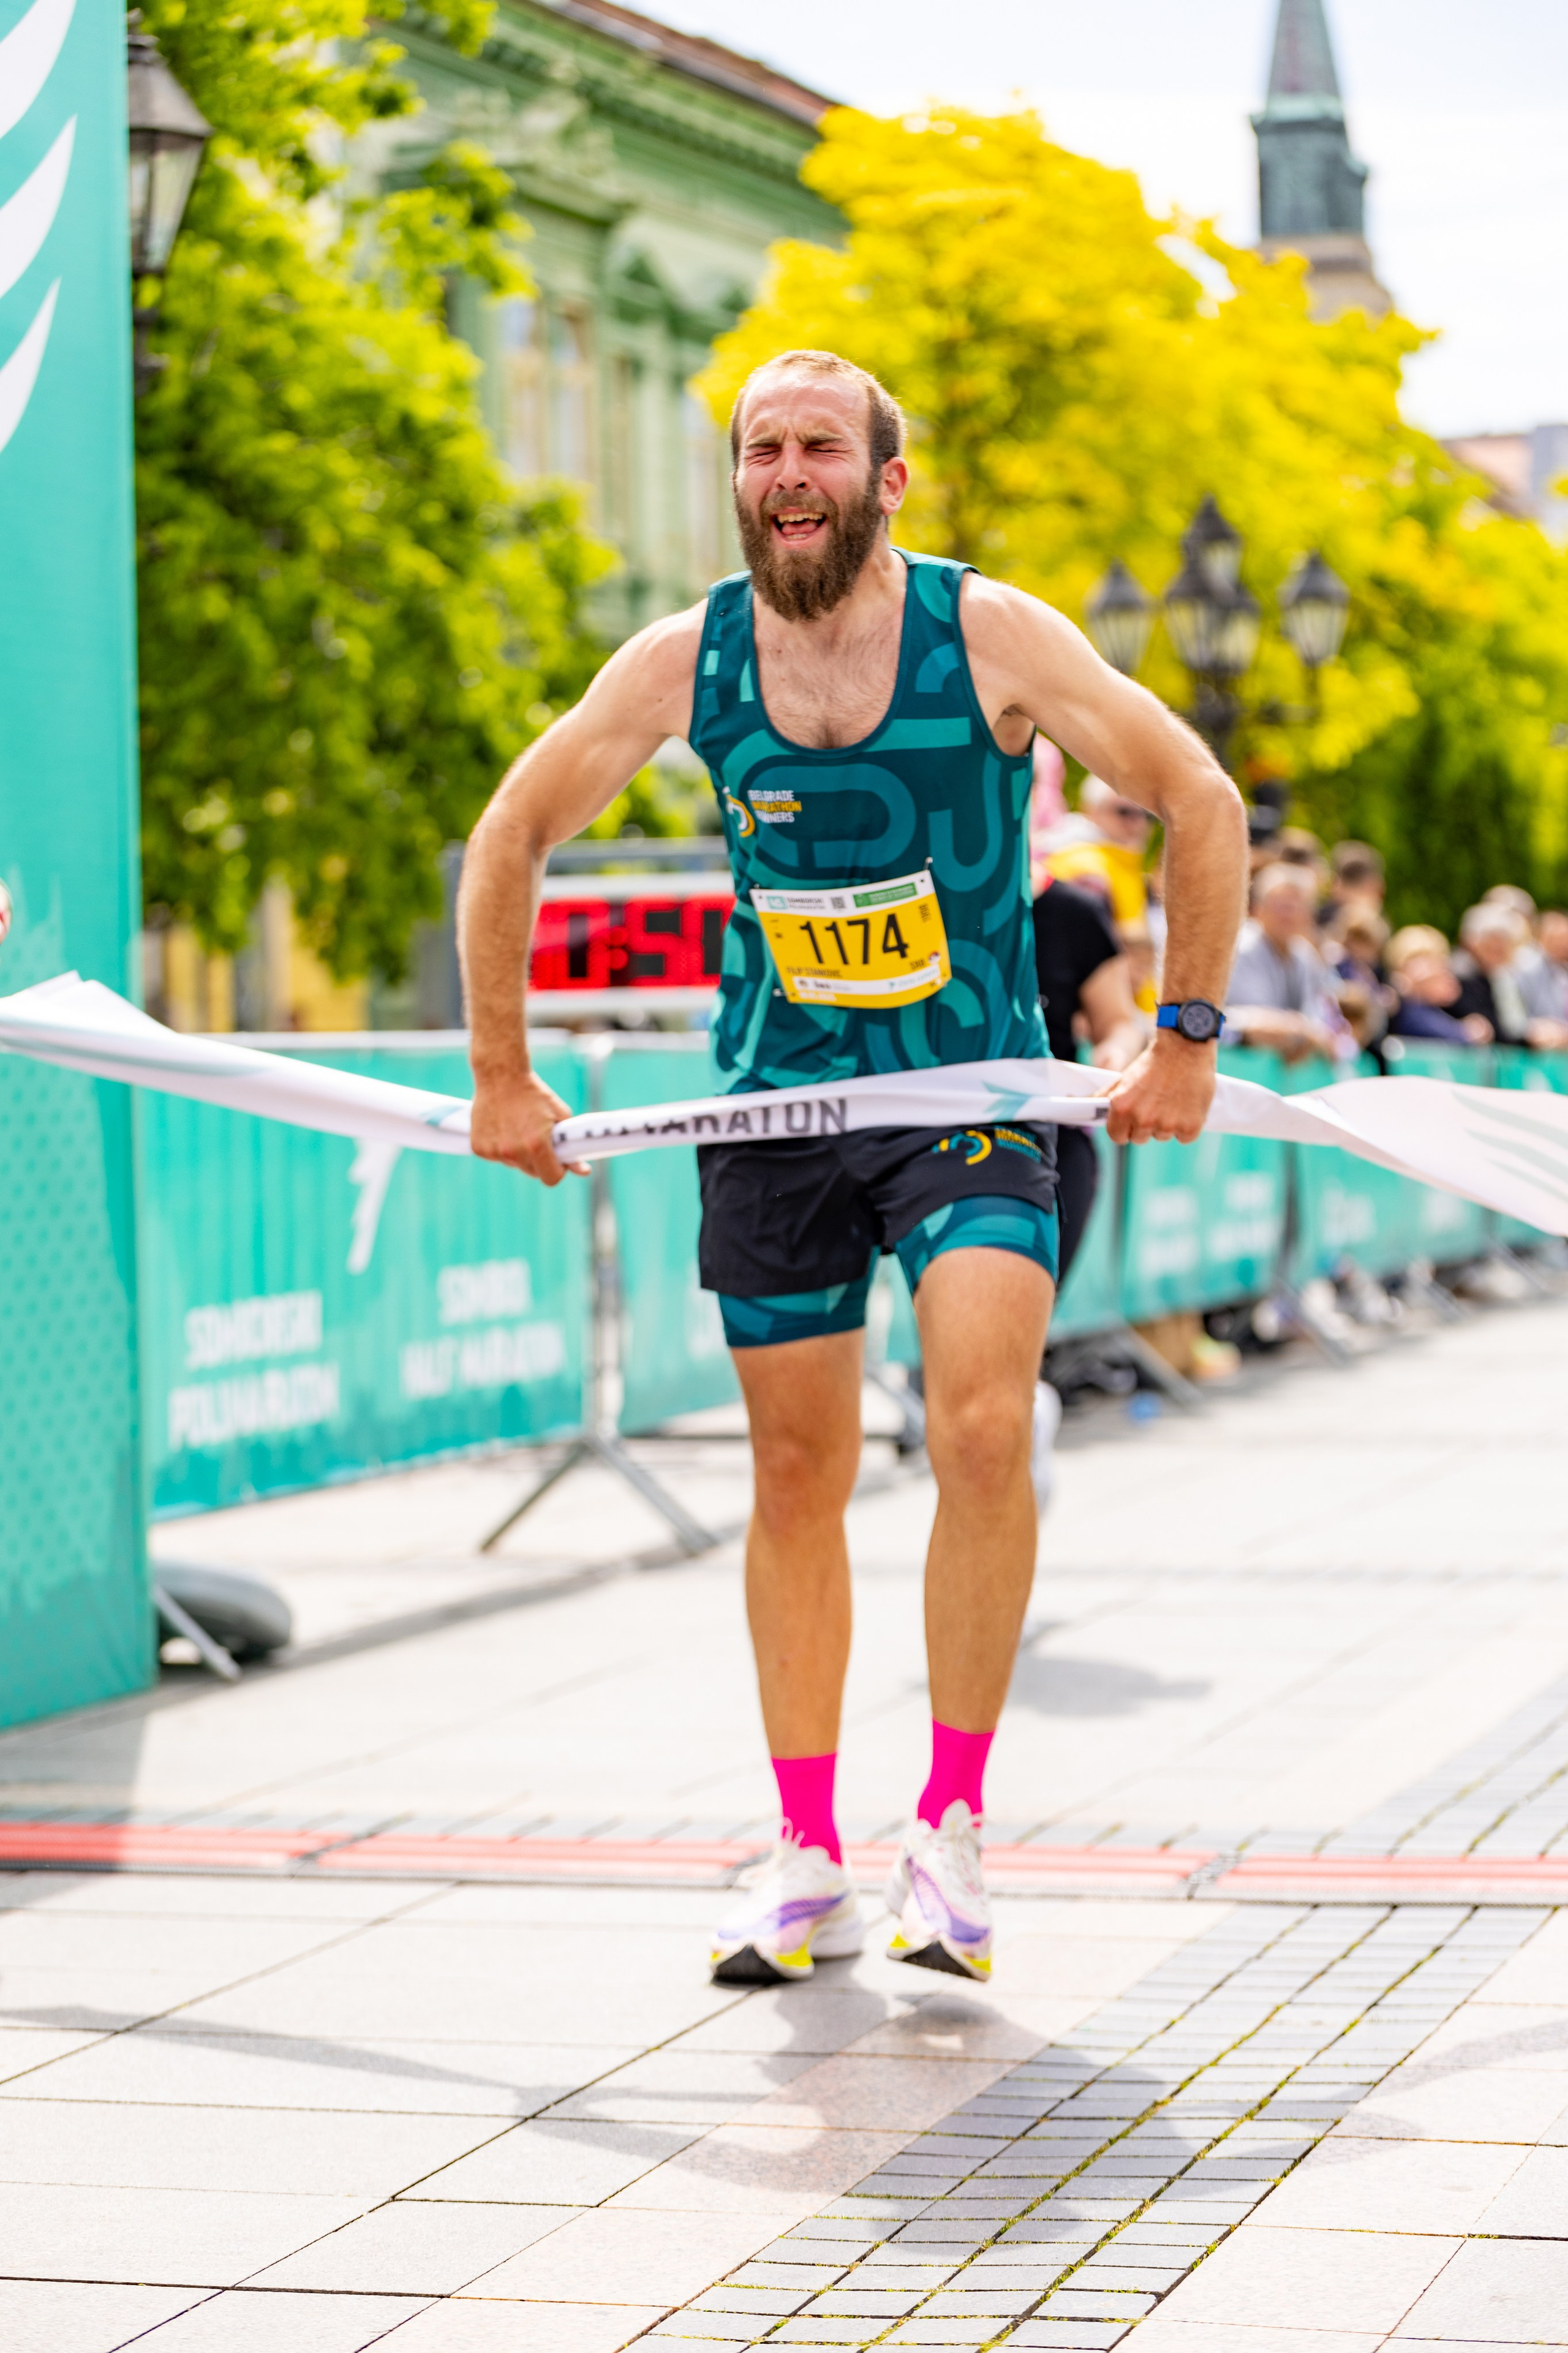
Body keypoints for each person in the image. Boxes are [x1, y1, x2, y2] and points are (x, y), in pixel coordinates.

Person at [456, 349, 1246, 1986]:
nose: (790, 471)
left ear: (891, 479)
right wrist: (500, 1073)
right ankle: (806, 1851)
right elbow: (511, 835)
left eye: (822, 445)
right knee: (796, 1474)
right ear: (738, 481)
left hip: (967, 1095)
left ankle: (948, 1833)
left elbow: (1197, 794)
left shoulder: (990, 635)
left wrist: (1184, 1035)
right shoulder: (691, 662)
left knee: (974, 1423)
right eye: (763, 449)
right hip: (773, 1112)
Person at [1028, 875, 1146, 1501]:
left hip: (1050, 1141)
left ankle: (1017, 1425)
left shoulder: (1069, 911)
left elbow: (1121, 1021)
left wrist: (1114, 1054)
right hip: (925, 1138)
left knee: (1005, 1343)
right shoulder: (914, 885)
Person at [1224, 863, 1346, 1063]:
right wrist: (1305, 1031)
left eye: (1298, 906)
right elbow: (1260, 1020)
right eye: (1281, 906)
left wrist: (1309, 1032)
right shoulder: (1243, 947)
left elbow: (1319, 1016)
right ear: (1258, 908)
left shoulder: (1304, 954)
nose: (1289, 914)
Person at [1385, 926, 1491, 1044]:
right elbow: (1457, 1037)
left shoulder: (1433, 1009)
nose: (1443, 970)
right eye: (1431, 962)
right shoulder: (1409, 1011)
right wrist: (1470, 1033)